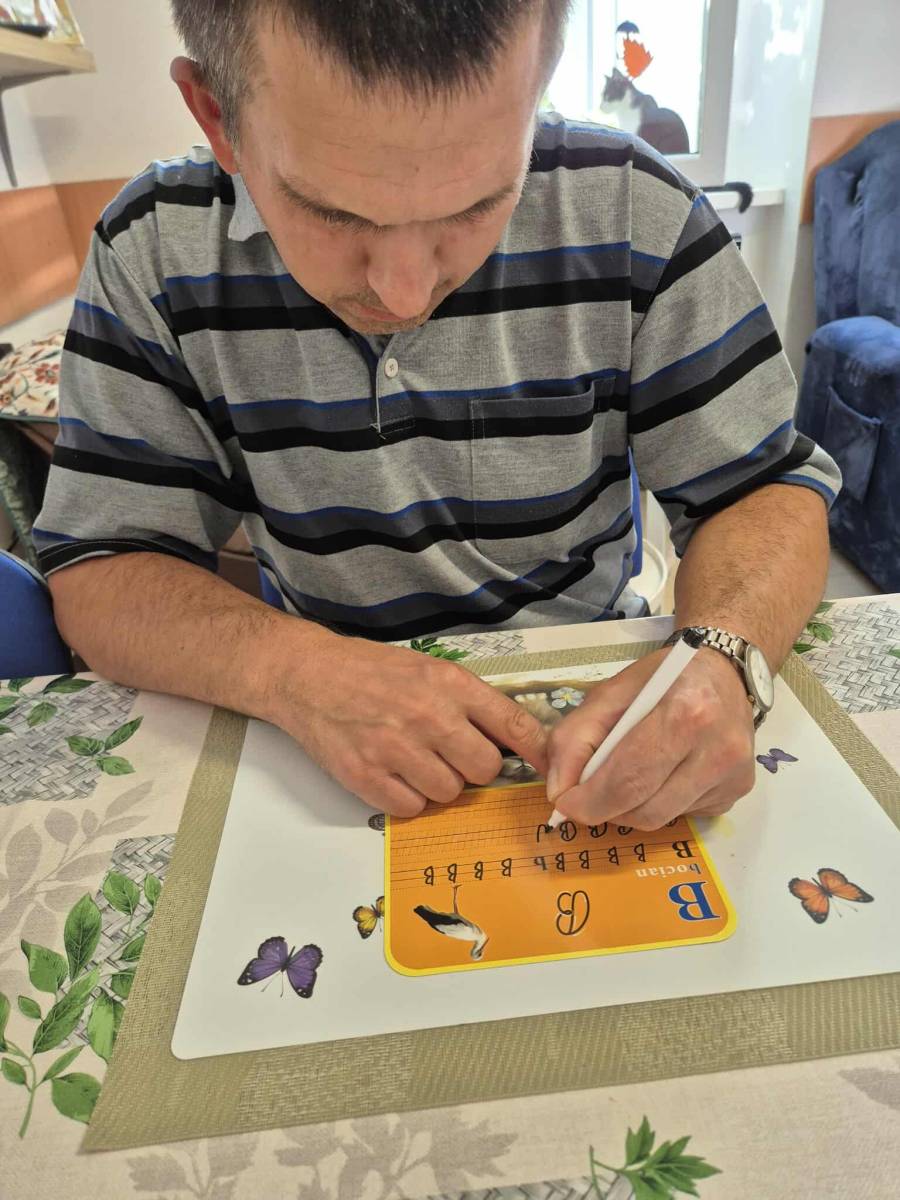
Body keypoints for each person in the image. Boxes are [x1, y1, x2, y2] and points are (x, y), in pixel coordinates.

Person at [37, 0, 840, 831]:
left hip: (602, 706)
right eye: (332, 213)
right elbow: (102, 565)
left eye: (475, 206)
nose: (405, 294)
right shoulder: (154, 248)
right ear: (217, 116)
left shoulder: (638, 207)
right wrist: (293, 671)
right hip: (312, 735)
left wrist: (724, 655)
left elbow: (766, 489)